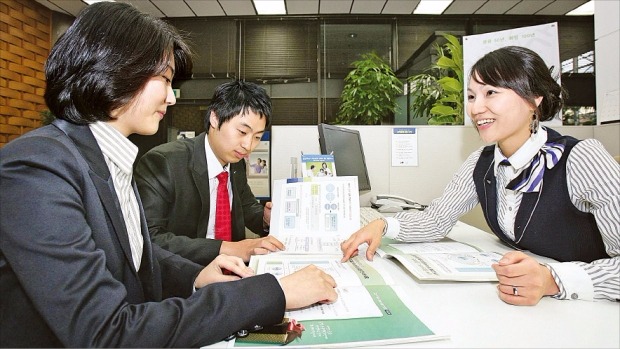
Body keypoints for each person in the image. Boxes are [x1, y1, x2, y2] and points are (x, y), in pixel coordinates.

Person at [0, 2, 337, 347]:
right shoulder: (37, 167)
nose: (171, 97)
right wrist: (271, 293)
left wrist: (197, 276)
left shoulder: (108, 158)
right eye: (163, 78)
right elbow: (106, 333)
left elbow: (136, 257)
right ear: (114, 68)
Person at [341, 46, 619, 306]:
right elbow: (436, 220)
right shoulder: (482, 161)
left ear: (534, 100)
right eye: (472, 96)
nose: (475, 109)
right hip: (525, 311)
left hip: (589, 308)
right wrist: (384, 226)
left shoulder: (581, 157)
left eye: (491, 93)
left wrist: (554, 280)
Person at [135, 81, 283, 265]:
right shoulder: (164, 162)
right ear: (215, 118)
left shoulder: (236, 165)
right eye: (242, 131)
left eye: (257, 137)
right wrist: (229, 248)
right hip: (185, 277)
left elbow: (246, 208)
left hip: (233, 273)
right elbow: (150, 238)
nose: (248, 145)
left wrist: (266, 219)